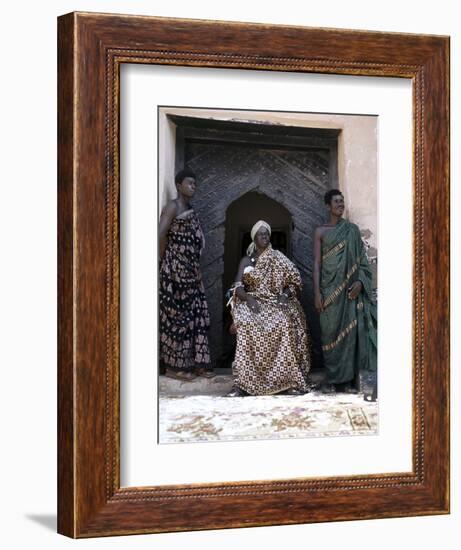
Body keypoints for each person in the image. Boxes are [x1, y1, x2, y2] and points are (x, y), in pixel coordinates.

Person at [226, 220, 311, 396]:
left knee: (283, 321)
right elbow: (237, 286)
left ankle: (287, 381)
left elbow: (294, 280)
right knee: (245, 323)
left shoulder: (277, 257)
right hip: (254, 301)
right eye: (260, 234)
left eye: (266, 234)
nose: (264, 237)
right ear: (254, 238)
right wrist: (248, 298)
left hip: (274, 301)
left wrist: (284, 295)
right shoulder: (246, 260)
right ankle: (243, 383)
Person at [313, 189, 377, 399]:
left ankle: (347, 381)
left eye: (342, 201)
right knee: (329, 332)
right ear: (327, 206)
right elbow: (316, 264)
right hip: (329, 291)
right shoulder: (320, 231)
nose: (341, 204)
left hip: (349, 291)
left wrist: (360, 281)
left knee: (348, 334)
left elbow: (362, 262)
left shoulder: (352, 230)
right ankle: (332, 380)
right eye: (336, 202)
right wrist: (316, 293)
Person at [158, 168, 215, 380]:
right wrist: (165, 261)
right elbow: (160, 234)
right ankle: (174, 367)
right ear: (178, 185)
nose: (193, 187)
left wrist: (194, 267)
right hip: (175, 271)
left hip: (191, 272)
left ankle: (196, 363)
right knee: (177, 318)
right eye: (189, 183)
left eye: (195, 184)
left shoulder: (190, 209)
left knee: (195, 316)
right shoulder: (172, 207)